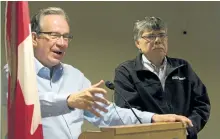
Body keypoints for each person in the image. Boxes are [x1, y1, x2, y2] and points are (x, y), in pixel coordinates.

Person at [3, 8, 193, 139]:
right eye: (54, 35)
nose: (62, 43)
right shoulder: (15, 71)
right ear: (34, 38)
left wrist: (153, 118)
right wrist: (69, 100)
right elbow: (26, 104)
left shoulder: (74, 76)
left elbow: (107, 114)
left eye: (66, 36)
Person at [113, 16, 210, 139]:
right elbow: (128, 112)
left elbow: (202, 104)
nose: (158, 40)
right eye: (150, 36)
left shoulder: (182, 67)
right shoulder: (127, 71)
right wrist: (162, 130)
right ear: (138, 43)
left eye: (162, 35)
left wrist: (189, 128)